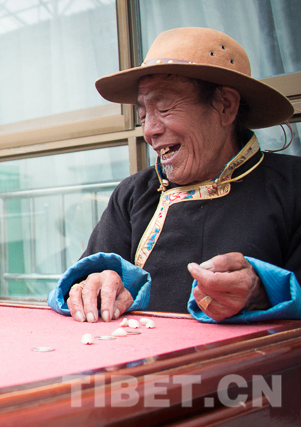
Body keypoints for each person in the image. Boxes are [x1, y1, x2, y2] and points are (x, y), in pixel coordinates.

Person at [48, 27, 301, 323]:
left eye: (165, 108)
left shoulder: (294, 186)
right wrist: (93, 288)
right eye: (143, 115)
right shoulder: (133, 193)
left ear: (225, 106)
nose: (149, 130)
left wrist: (262, 291)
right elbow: (79, 287)